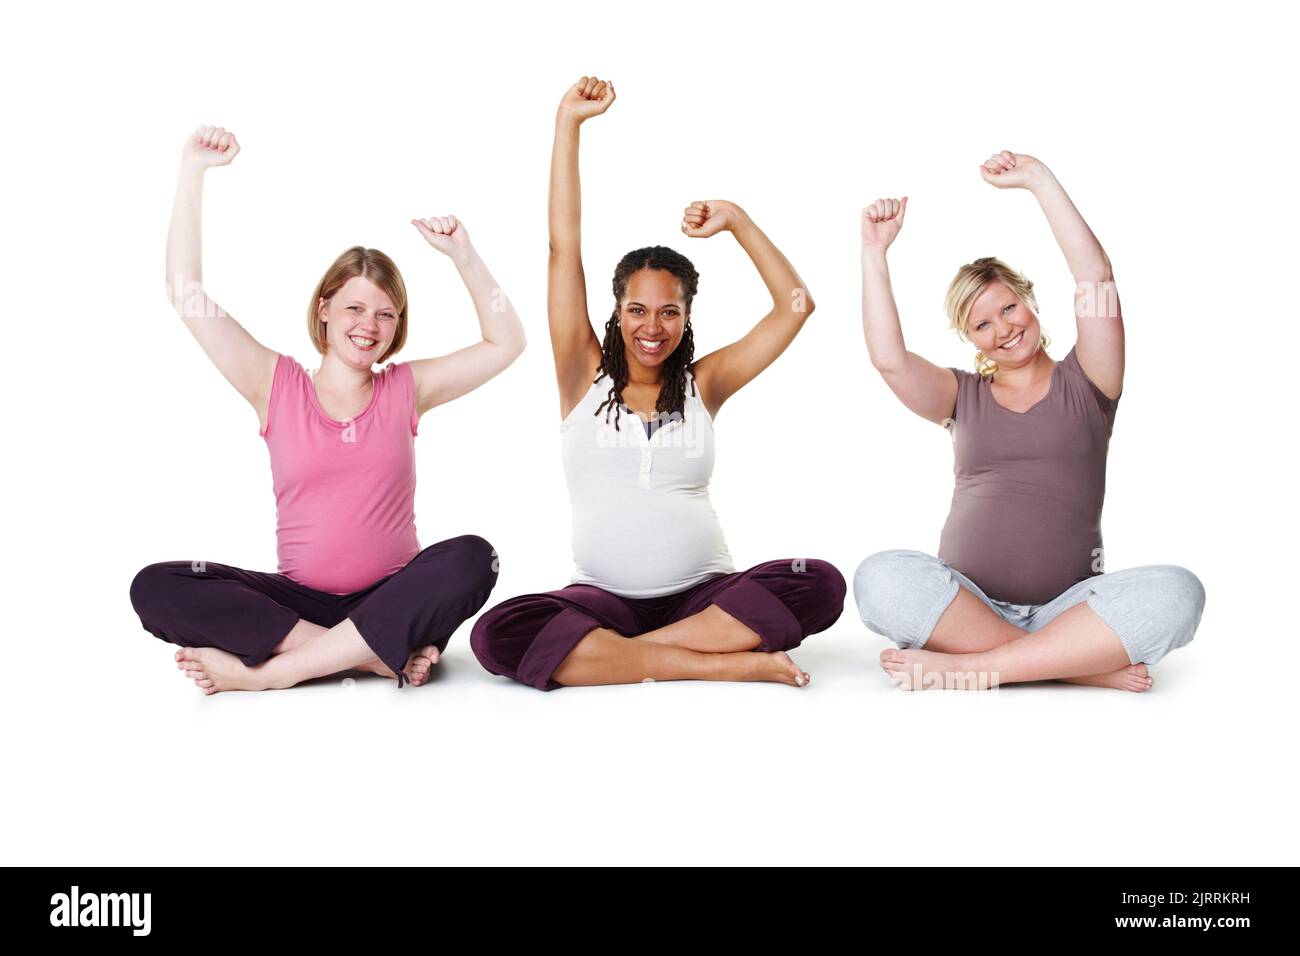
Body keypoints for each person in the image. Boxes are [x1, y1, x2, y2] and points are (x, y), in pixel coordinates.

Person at [469, 77, 846, 691]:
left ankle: (623, 658)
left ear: (687, 316)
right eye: (638, 309)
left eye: (669, 311)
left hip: (707, 599)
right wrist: (567, 124)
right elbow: (563, 248)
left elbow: (796, 306)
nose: (652, 326)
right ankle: (722, 664)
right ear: (616, 311)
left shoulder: (707, 383)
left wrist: (739, 221)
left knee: (819, 581)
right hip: (602, 601)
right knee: (497, 632)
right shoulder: (580, 373)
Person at [130, 124, 525, 693]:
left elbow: (506, 344)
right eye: (355, 308)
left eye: (386, 314)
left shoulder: (404, 389)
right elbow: (185, 290)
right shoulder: (273, 383)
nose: (369, 326)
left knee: (473, 559)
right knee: (155, 586)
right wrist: (193, 171)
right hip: (297, 601)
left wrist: (464, 255)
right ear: (324, 309)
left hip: (393, 594)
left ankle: (276, 673)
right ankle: (364, 655)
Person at [853, 149, 1205, 691]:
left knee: (1181, 592)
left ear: (1030, 301)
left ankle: (977, 669)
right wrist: (874, 252)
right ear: (971, 339)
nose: (1003, 329)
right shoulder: (960, 394)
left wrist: (1040, 181)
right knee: (879, 577)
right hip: (965, 602)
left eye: (1009, 308)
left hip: (1072, 608)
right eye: (982, 324)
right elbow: (889, 359)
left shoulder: (1089, 380)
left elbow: (1095, 275)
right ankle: (1076, 669)